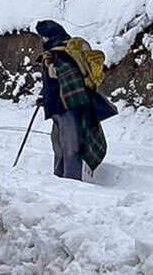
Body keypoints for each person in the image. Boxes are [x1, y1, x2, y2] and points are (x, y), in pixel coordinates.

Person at [35, 20, 115, 180]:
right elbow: (56, 84)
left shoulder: (63, 54)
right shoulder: (54, 54)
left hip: (69, 107)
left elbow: (69, 81)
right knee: (59, 144)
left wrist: (53, 73)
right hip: (61, 107)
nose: (42, 41)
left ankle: (71, 181)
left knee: (70, 146)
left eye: (43, 37)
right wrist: (45, 95)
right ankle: (58, 178)